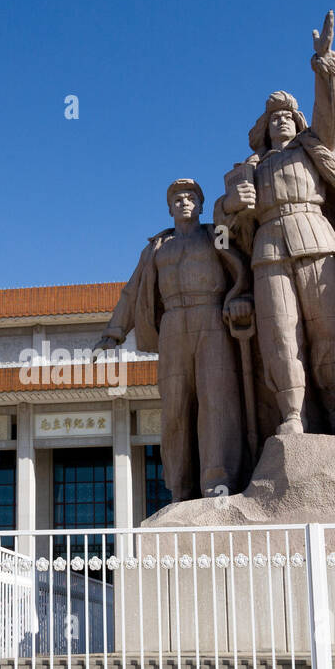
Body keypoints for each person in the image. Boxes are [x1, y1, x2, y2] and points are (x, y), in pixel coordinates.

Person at [214, 13, 335, 437]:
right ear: (262, 129)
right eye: (274, 118)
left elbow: (332, 117)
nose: (282, 120)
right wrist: (230, 206)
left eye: (288, 115)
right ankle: (291, 415)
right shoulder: (246, 170)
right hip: (268, 248)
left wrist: (323, 67)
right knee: (281, 335)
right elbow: (220, 230)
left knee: (328, 332)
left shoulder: (313, 149)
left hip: (315, 238)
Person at [96, 179, 252, 500]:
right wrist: (113, 334)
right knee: (175, 407)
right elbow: (132, 291)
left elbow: (243, 260)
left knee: (215, 401)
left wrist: (242, 296)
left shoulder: (214, 235)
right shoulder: (156, 248)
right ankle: (180, 487)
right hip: (172, 325)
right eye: (178, 198)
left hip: (211, 318)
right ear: (169, 208)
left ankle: (216, 480)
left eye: (191, 196)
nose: (184, 202)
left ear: (201, 204)